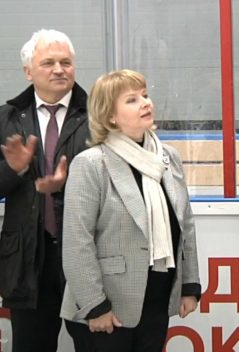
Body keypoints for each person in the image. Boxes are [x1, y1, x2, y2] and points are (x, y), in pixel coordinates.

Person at [60, 69, 201, 352]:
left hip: (157, 300)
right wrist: (95, 305)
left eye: (145, 95)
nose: (145, 103)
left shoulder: (168, 157)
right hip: (106, 308)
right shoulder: (91, 163)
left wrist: (189, 285)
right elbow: (77, 242)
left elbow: (185, 225)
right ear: (110, 115)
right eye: (132, 100)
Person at [0, 29, 89, 352]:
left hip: (87, 256)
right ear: (28, 71)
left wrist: (69, 185)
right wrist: (13, 169)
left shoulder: (98, 115)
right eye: (48, 63)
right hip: (27, 259)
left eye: (66, 62)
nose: (59, 69)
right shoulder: (3, 119)